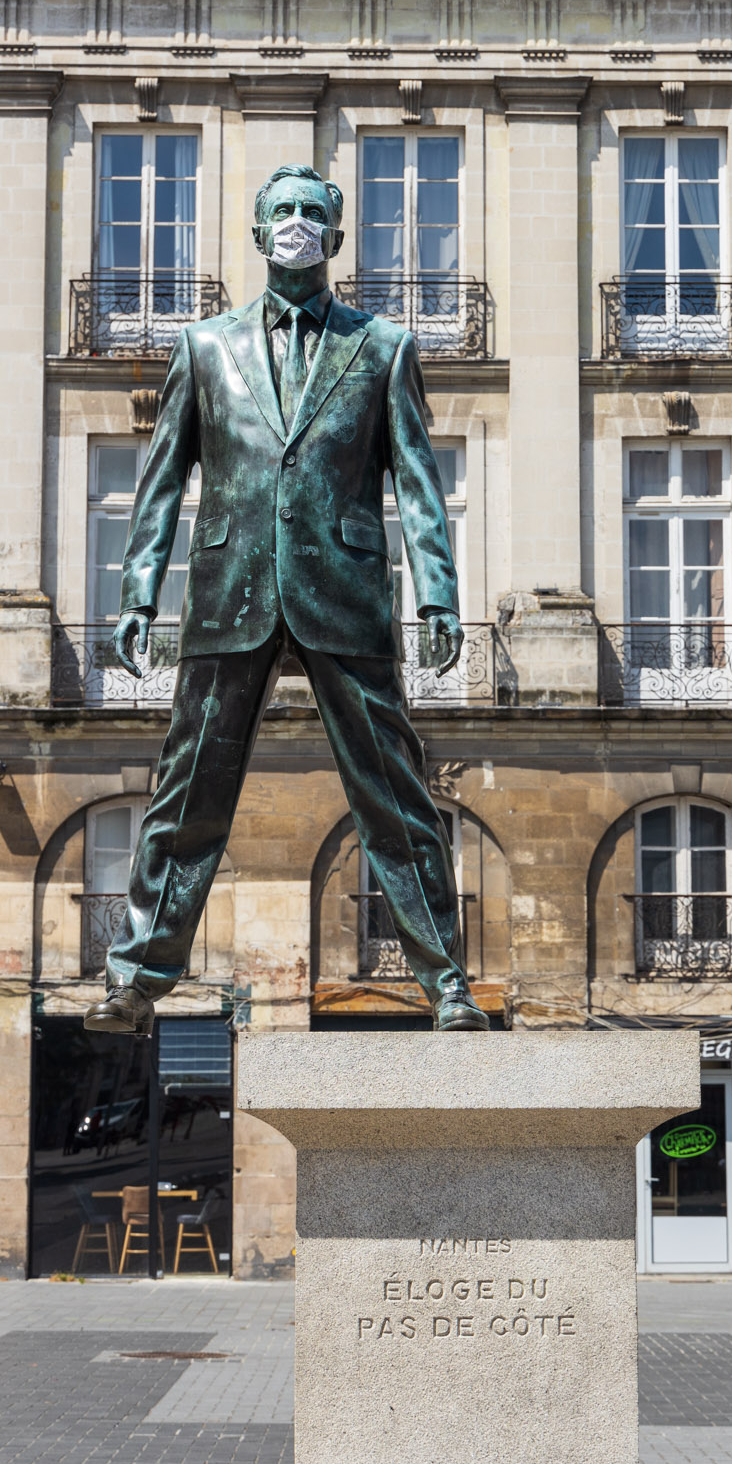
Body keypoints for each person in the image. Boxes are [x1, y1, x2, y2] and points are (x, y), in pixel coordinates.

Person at [85, 162, 488, 1036]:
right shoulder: (203, 348)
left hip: (344, 590)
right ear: (259, 233)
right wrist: (137, 595)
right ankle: (136, 979)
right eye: (285, 212)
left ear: (335, 239)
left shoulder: (383, 348)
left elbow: (419, 485)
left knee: (393, 791)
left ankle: (447, 982)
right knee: (187, 789)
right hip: (230, 588)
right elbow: (159, 486)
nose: (299, 223)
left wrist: (436, 598)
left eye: (314, 212)